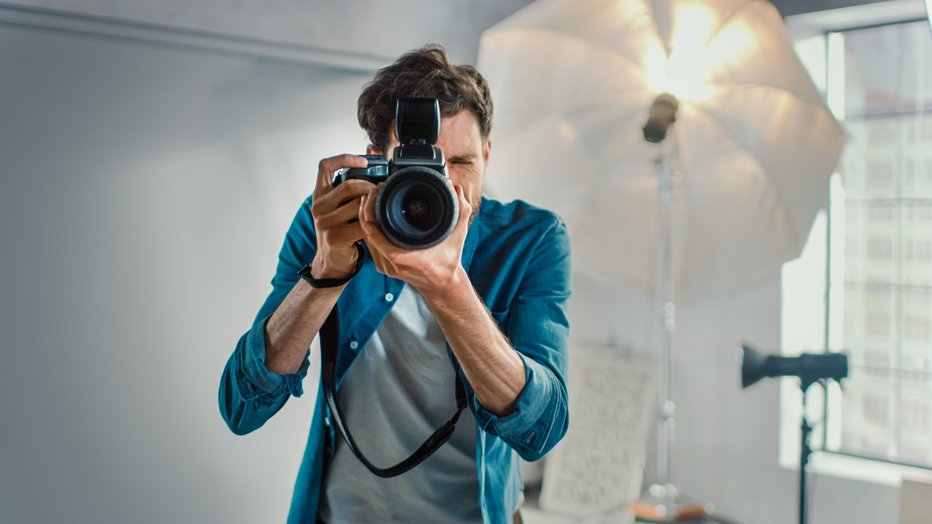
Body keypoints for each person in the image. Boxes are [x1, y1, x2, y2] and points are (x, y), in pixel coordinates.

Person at [218, 44, 571, 524]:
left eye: (461, 164)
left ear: (487, 155)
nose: (443, 188)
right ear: (374, 162)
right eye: (419, 168)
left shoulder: (532, 239)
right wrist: (326, 271)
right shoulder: (332, 224)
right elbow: (243, 407)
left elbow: (541, 430)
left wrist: (448, 285)